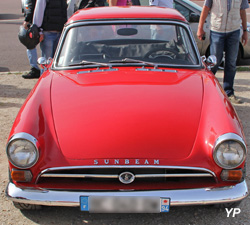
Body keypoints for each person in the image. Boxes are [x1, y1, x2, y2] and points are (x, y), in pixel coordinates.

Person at [197, 0, 249, 104]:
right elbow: (206, 8)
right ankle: (208, 90)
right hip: (217, 31)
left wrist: (244, 31)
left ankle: (229, 92)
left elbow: (242, 10)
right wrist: (200, 28)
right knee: (214, 62)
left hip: (233, 31)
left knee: (231, 63)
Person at [22, 0, 40, 79]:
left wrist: (27, 19)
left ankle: (35, 69)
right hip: (48, 22)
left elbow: (31, 6)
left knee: (30, 44)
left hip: (35, 22)